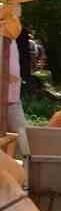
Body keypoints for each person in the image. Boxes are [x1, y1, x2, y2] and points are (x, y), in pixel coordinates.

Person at [3, 25, 26, 158]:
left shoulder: (10, 38)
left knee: (24, 140)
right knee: (23, 140)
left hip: (12, 98)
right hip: (4, 98)